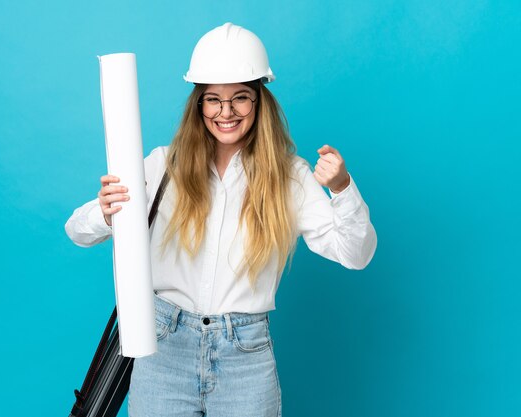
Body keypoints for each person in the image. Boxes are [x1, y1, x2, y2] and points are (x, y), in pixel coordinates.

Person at [65, 22, 377, 417]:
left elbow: (355, 254)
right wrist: (106, 213)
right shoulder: (163, 165)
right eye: (213, 99)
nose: (225, 112)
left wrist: (342, 187)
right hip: (163, 348)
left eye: (240, 98)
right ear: (199, 104)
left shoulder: (290, 175)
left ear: (260, 102)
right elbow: (76, 230)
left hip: (244, 354)